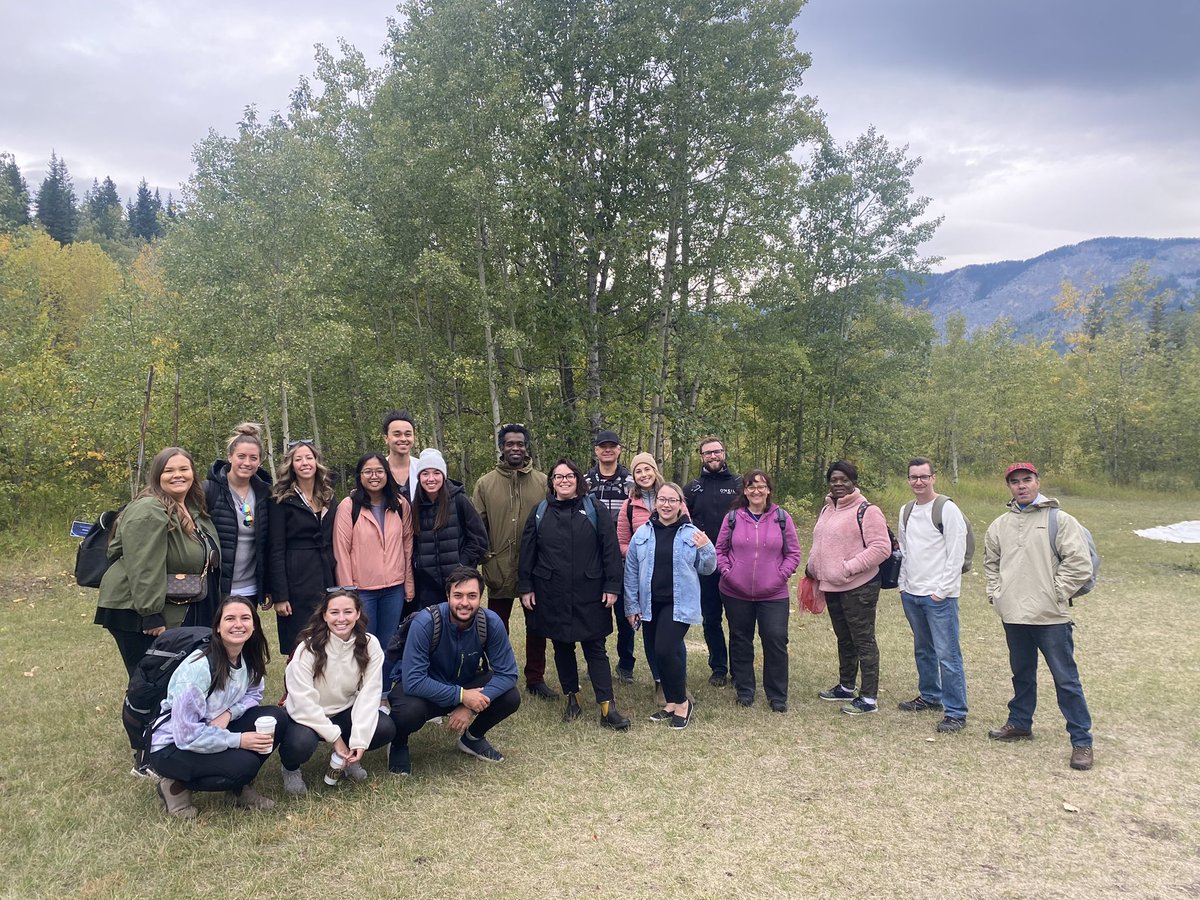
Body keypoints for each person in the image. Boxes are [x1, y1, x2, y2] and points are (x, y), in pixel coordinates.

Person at [983, 463, 1095, 771]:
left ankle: (1081, 741)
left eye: (1026, 480)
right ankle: (1020, 723)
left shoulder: (1060, 520)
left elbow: (1079, 564)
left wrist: (1055, 593)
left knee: (1066, 679)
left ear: (1037, 482)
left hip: (1051, 618)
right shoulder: (1000, 525)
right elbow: (991, 564)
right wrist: (997, 594)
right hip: (1014, 615)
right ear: (1009, 487)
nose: (1021, 486)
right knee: (1021, 674)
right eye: (1015, 482)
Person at [148, 596, 288, 818]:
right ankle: (175, 786)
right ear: (218, 627)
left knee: (276, 719)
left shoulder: (248, 657)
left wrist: (229, 713)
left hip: (214, 728)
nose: (238, 624)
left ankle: (238, 791)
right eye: (230, 618)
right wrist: (238, 740)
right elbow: (186, 735)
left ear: (254, 625)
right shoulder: (198, 669)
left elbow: (254, 693)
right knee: (244, 765)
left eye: (245, 618)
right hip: (172, 747)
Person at [519, 458, 631, 730]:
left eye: (569, 476)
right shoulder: (540, 511)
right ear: (552, 482)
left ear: (578, 480)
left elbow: (610, 550)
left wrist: (612, 585)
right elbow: (527, 553)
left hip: (590, 592)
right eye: (558, 477)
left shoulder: (595, 509)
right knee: (561, 646)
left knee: (595, 647)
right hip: (552, 592)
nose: (564, 481)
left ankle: (607, 707)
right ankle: (573, 699)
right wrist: (526, 587)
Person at [96, 447, 220, 675]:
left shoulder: (191, 507)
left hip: (177, 600)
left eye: (184, 469)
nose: (178, 475)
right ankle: (142, 712)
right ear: (157, 476)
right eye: (168, 470)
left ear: (193, 473)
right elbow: (144, 564)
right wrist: (151, 614)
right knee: (150, 678)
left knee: (175, 675)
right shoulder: (149, 508)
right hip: (136, 609)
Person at [387, 566, 521, 775]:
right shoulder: (426, 622)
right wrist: (462, 696)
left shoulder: (490, 622)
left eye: (472, 596)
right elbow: (413, 680)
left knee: (510, 696)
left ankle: (472, 739)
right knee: (407, 712)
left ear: (481, 597)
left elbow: (508, 673)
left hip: (465, 683)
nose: (465, 603)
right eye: (458, 595)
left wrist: (469, 705)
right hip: (425, 690)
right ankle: (398, 743)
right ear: (448, 595)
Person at [280, 589, 397, 794]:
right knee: (300, 744)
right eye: (334, 612)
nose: (341, 619)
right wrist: (336, 738)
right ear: (324, 615)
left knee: (384, 727)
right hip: (307, 716)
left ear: (358, 613)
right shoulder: (307, 648)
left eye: (348, 612)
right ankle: (290, 769)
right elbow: (302, 702)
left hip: (343, 711)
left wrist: (359, 740)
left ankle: (349, 759)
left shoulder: (370, 644)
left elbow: (369, 695)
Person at [624, 482, 716, 729]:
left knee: (665, 649)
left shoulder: (691, 534)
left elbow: (707, 569)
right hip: (649, 605)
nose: (666, 504)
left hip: (679, 605)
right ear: (656, 503)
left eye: (672, 500)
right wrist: (632, 606)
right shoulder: (642, 534)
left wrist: (706, 548)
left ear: (680, 504)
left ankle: (683, 703)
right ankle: (671, 705)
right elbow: (631, 570)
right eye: (662, 500)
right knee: (657, 652)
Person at [472, 424, 554, 700]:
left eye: (520, 443)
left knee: (537, 626)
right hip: (499, 567)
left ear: (526, 446)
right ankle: (498, 676)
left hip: (536, 568)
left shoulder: (543, 482)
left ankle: (535, 678)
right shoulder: (485, 484)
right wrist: (486, 558)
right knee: (495, 625)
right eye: (510, 444)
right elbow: (477, 527)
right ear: (502, 447)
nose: (515, 448)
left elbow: (553, 522)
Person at [807, 460, 891, 716]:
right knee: (844, 638)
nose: (839, 484)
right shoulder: (827, 509)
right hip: (832, 586)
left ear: (853, 481)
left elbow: (881, 548)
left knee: (863, 640)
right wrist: (813, 566)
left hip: (859, 587)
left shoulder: (867, 510)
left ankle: (868, 697)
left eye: (844, 479)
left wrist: (848, 567)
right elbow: (820, 542)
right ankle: (846, 686)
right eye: (834, 479)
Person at [714, 469, 802, 712]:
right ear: (745, 490)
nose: (756, 491)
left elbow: (793, 553)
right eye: (751, 486)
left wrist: (780, 575)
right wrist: (729, 574)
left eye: (761, 486)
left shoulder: (781, 517)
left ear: (769, 490)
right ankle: (745, 689)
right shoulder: (733, 518)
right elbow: (719, 550)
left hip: (773, 594)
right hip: (735, 592)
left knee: (775, 639)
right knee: (741, 640)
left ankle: (777, 695)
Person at [897, 457, 970, 734]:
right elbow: (904, 550)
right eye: (913, 477)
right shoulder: (906, 510)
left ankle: (956, 712)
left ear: (933, 478)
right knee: (923, 649)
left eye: (924, 477)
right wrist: (904, 585)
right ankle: (930, 695)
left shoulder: (947, 509)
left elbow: (956, 553)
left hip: (939, 597)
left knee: (948, 655)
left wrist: (942, 591)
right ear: (908, 480)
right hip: (912, 593)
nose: (918, 482)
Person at [616, 452, 690, 705]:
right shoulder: (628, 505)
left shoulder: (673, 496)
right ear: (634, 476)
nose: (644, 474)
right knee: (651, 633)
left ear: (655, 471)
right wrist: (643, 552)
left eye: (647, 469)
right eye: (638, 471)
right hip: (644, 579)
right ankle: (660, 682)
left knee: (672, 634)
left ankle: (678, 682)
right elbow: (623, 542)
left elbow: (687, 533)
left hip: (674, 578)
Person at [333, 453, 415, 682]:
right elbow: (341, 550)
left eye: (379, 471)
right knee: (363, 642)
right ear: (360, 476)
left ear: (387, 475)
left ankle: (384, 691)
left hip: (394, 588)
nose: (374, 476)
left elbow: (407, 545)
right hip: (362, 590)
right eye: (368, 471)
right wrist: (348, 592)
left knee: (389, 642)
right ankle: (359, 690)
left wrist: (408, 583)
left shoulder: (400, 505)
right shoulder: (349, 507)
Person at [268, 440, 337, 655]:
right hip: (296, 579)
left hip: (326, 574)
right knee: (299, 643)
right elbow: (275, 549)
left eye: (309, 458)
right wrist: (280, 595)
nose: (305, 463)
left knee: (328, 637)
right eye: (299, 459)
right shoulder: (281, 500)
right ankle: (294, 688)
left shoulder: (329, 498)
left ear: (317, 462)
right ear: (291, 465)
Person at [683, 436, 742, 687]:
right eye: (708, 453)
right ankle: (718, 667)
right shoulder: (692, 488)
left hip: (736, 563)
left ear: (724, 453)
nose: (713, 456)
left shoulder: (740, 484)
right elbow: (683, 524)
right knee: (711, 618)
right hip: (706, 565)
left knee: (738, 619)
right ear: (701, 457)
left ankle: (740, 670)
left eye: (717, 451)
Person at [408, 447, 489, 616]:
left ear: (443, 475)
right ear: (419, 477)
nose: (431, 479)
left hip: (458, 584)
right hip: (427, 587)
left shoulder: (459, 500)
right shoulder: (414, 506)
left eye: (436, 473)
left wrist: (462, 565)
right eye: (425, 474)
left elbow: (479, 540)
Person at [583, 430, 636, 683]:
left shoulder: (631, 482)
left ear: (619, 450)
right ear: (595, 450)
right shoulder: (584, 482)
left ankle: (626, 665)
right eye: (602, 446)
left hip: (625, 559)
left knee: (626, 615)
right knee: (596, 612)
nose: (607, 450)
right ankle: (597, 660)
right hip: (592, 559)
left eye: (612, 446)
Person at [204, 423, 272, 622]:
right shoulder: (209, 490)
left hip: (249, 588)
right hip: (215, 588)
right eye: (241, 456)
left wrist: (266, 585)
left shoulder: (265, 494)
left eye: (253, 458)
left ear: (260, 461)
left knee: (241, 639)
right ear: (230, 457)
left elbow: (268, 545)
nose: (247, 463)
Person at [382, 410, 417, 498]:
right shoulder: (377, 471)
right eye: (397, 434)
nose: (403, 439)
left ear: (414, 438)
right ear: (386, 438)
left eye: (408, 434)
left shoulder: (423, 469)